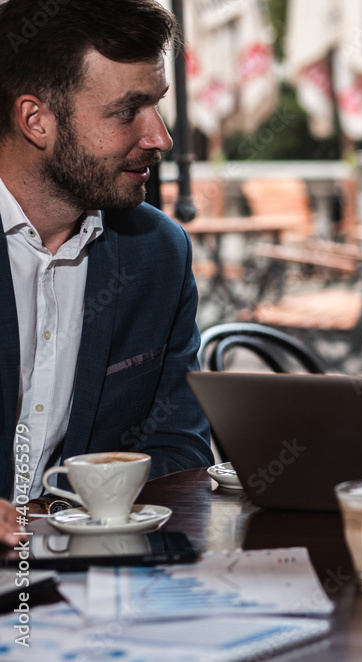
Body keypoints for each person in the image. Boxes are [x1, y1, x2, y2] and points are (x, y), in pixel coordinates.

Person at [0, 0, 212, 543]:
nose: (160, 137)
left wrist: (52, 515)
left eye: (157, 105)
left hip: (94, 579)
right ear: (35, 120)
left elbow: (180, 447)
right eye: (127, 111)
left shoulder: (157, 252)